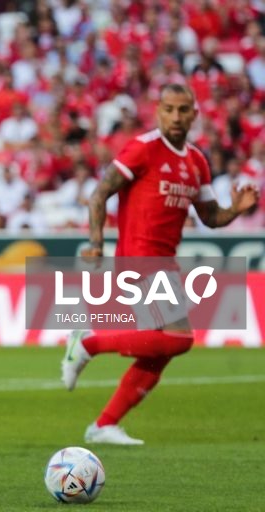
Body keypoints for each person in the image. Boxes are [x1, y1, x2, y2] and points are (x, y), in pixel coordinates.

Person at [62, 83, 259, 445]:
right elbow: (100, 192)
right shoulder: (143, 149)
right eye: (168, 109)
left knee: (162, 351)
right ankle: (88, 342)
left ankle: (104, 425)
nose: (175, 116)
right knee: (178, 339)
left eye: (183, 110)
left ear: (194, 115)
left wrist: (235, 210)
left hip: (163, 262)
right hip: (137, 256)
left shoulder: (196, 161)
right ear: (158, 111)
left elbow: (211, 216)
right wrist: (94, 242)